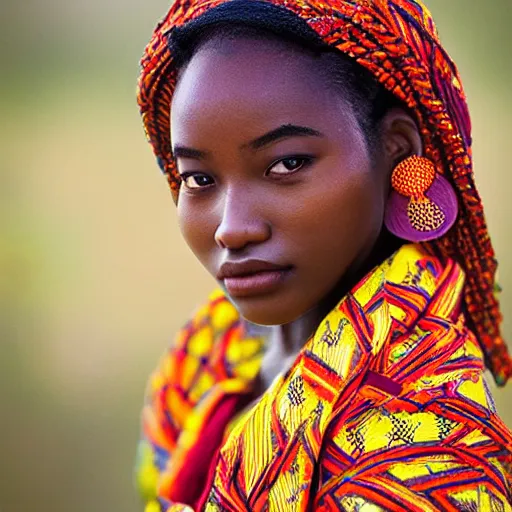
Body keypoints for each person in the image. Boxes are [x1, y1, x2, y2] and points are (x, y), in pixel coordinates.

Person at [134, 0, 512, 510]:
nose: (232, 228)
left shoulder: (429, 447)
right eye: (199, 179)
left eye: (287, 163)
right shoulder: (209, 350)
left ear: (397, 150)